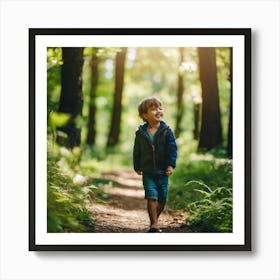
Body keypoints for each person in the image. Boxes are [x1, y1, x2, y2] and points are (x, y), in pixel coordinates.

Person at [133, 97, 177, 232]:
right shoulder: (141, 133)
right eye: (153, 109)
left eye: (160, 108)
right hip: (148, 171)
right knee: (151, 196)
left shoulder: (167, 131)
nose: (158, 111)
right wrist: (137, 166)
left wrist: (170, 165)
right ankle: (153, 224)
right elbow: (137, 150)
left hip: (163, 171)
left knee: (162, 198)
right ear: (144, 115)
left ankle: (155, 220)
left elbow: (172, 149)